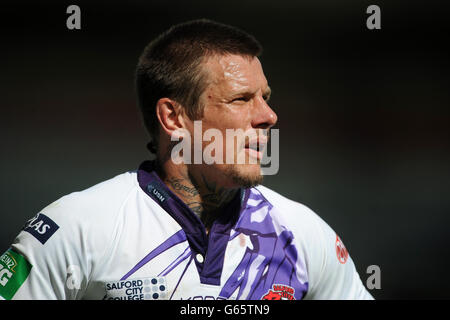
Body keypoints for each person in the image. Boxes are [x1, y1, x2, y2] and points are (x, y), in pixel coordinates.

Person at [0, 19, 373, 300]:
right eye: (242, 99)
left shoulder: (303, 235)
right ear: (174, 119)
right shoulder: (76, 228)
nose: (268, 116)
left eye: (266, 97)